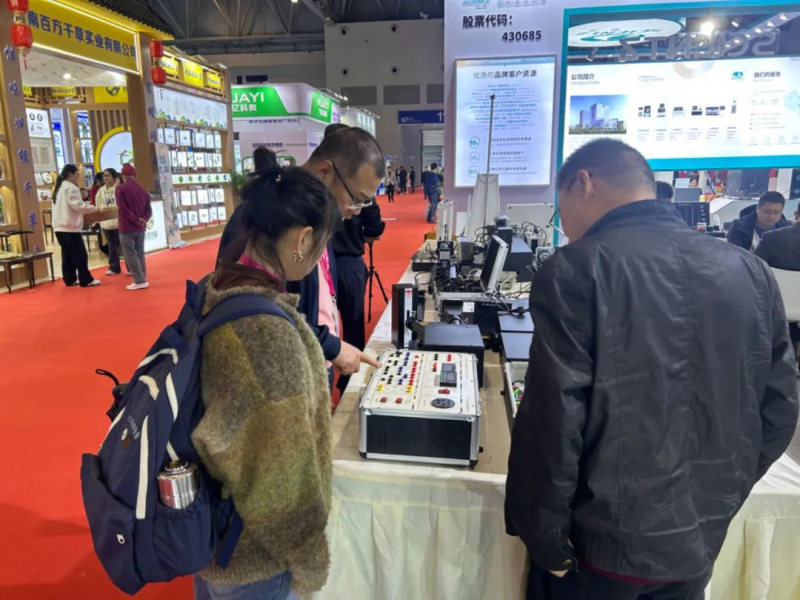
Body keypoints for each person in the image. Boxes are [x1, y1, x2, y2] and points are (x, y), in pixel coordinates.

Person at [506, 139, 798, 600]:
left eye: (561, 209)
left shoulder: (577, 267)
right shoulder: (750, 270)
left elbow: (553, 421)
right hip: (696, 544)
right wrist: (718, 499)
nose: (565, 226)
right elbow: (780, 408)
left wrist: (545, 540)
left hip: (598, 548)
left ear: (584, 184)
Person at [193, 167, 340, 600]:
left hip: (217, 535)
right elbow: (280, 480)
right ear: (303, 239)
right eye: (321, 246)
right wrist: (309, 559)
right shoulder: (267, 334)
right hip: (255, 559)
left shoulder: (219, 290)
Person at [217, 127, 385, 387]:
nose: (356, 211)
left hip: (311, 355)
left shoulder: (319, 213)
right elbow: (257, 310)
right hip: (285, 370)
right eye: (356, 199)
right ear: (326, 171)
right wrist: (329, 345)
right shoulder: (263, 217)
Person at [51, 164, 100, 287]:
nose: (78, 177)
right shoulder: (71, 187)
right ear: (70, 174)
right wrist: (93, 208)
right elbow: (78, 205)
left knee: (67, 255)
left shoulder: (59, 187)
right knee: (80, 255)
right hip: (69, 227)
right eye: (77, 174)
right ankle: (85, 279)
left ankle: (70, 279)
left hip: (59, 227)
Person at [116, 163, 152, 291]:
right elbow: (149, 210)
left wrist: (135, 219)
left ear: (123, 175)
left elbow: (122, 208)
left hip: (127, 226)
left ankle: (139, 280)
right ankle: (142, 276)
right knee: (140, 252)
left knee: (130, 253)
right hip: (140, 227)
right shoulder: (143, 189)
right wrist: (143, 220)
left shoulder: (120, 189)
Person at [755, 202, 800, 271]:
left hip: (775, 277)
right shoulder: (770, 237)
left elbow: (754, 268)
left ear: (796, 215)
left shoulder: (770, 237)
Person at [95, 168, 123, 276]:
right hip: (106, 223)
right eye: (104, 176)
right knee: (111, 246)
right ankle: (114, 267)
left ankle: (131, 268)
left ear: (114, 177)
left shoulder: (119, 189)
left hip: (119, 222)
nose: (106, 178)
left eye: (108, 175)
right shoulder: (100, 191)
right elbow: (98, 205)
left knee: (124, 246)